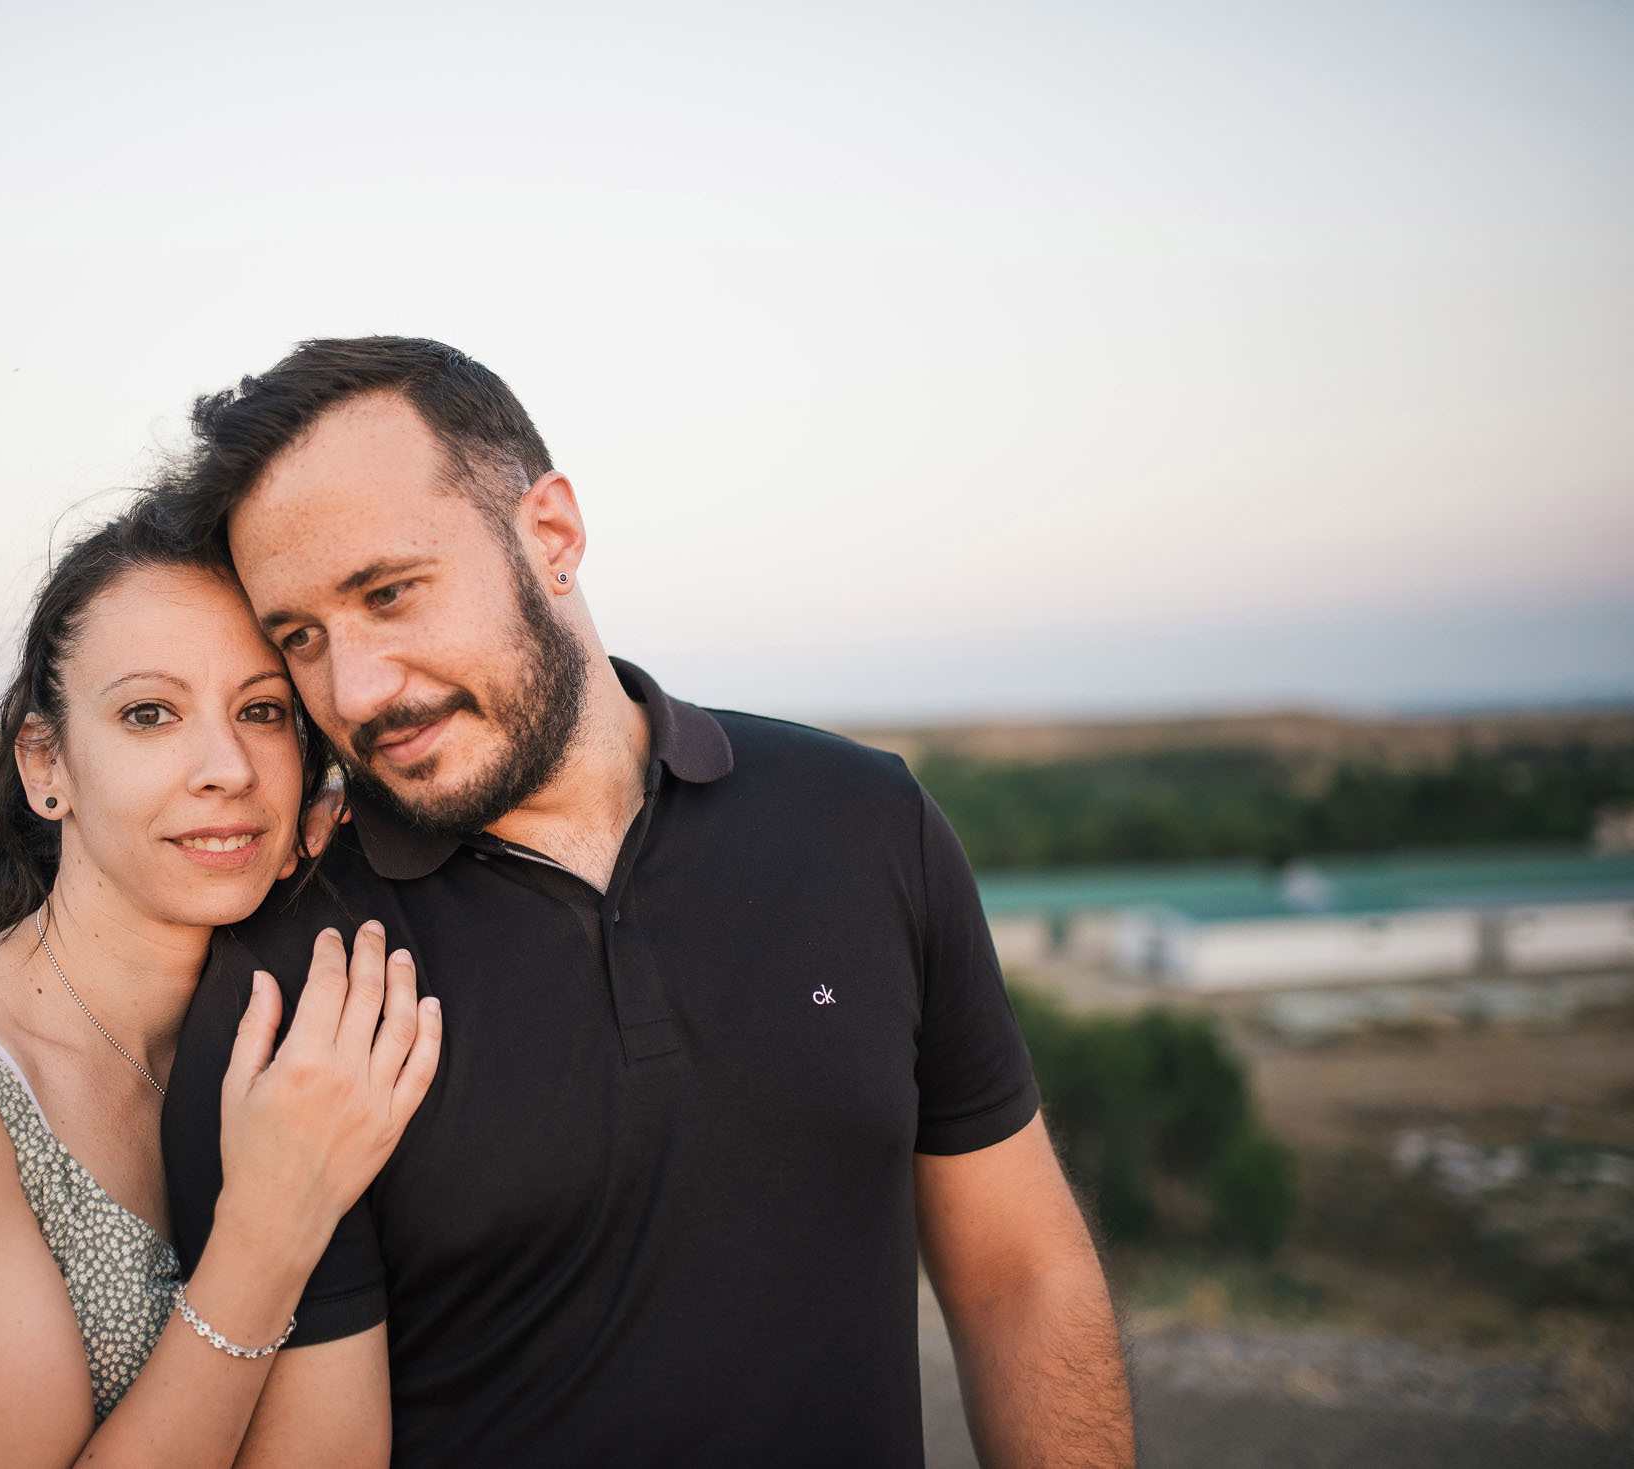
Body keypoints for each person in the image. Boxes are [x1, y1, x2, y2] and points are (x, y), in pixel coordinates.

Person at [153, 337, 1136, 1468]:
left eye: (389, 593)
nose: (357, 689)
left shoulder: (864, 818)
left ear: (552, 535)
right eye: (302, 639)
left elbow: (1020, 1270)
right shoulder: (294, 976)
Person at [0, 509, 442, 1469]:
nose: (226, 769)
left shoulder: (306, 1035)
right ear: (46, 763)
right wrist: (268, 1230)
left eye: (263, 711)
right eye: (151, 713)